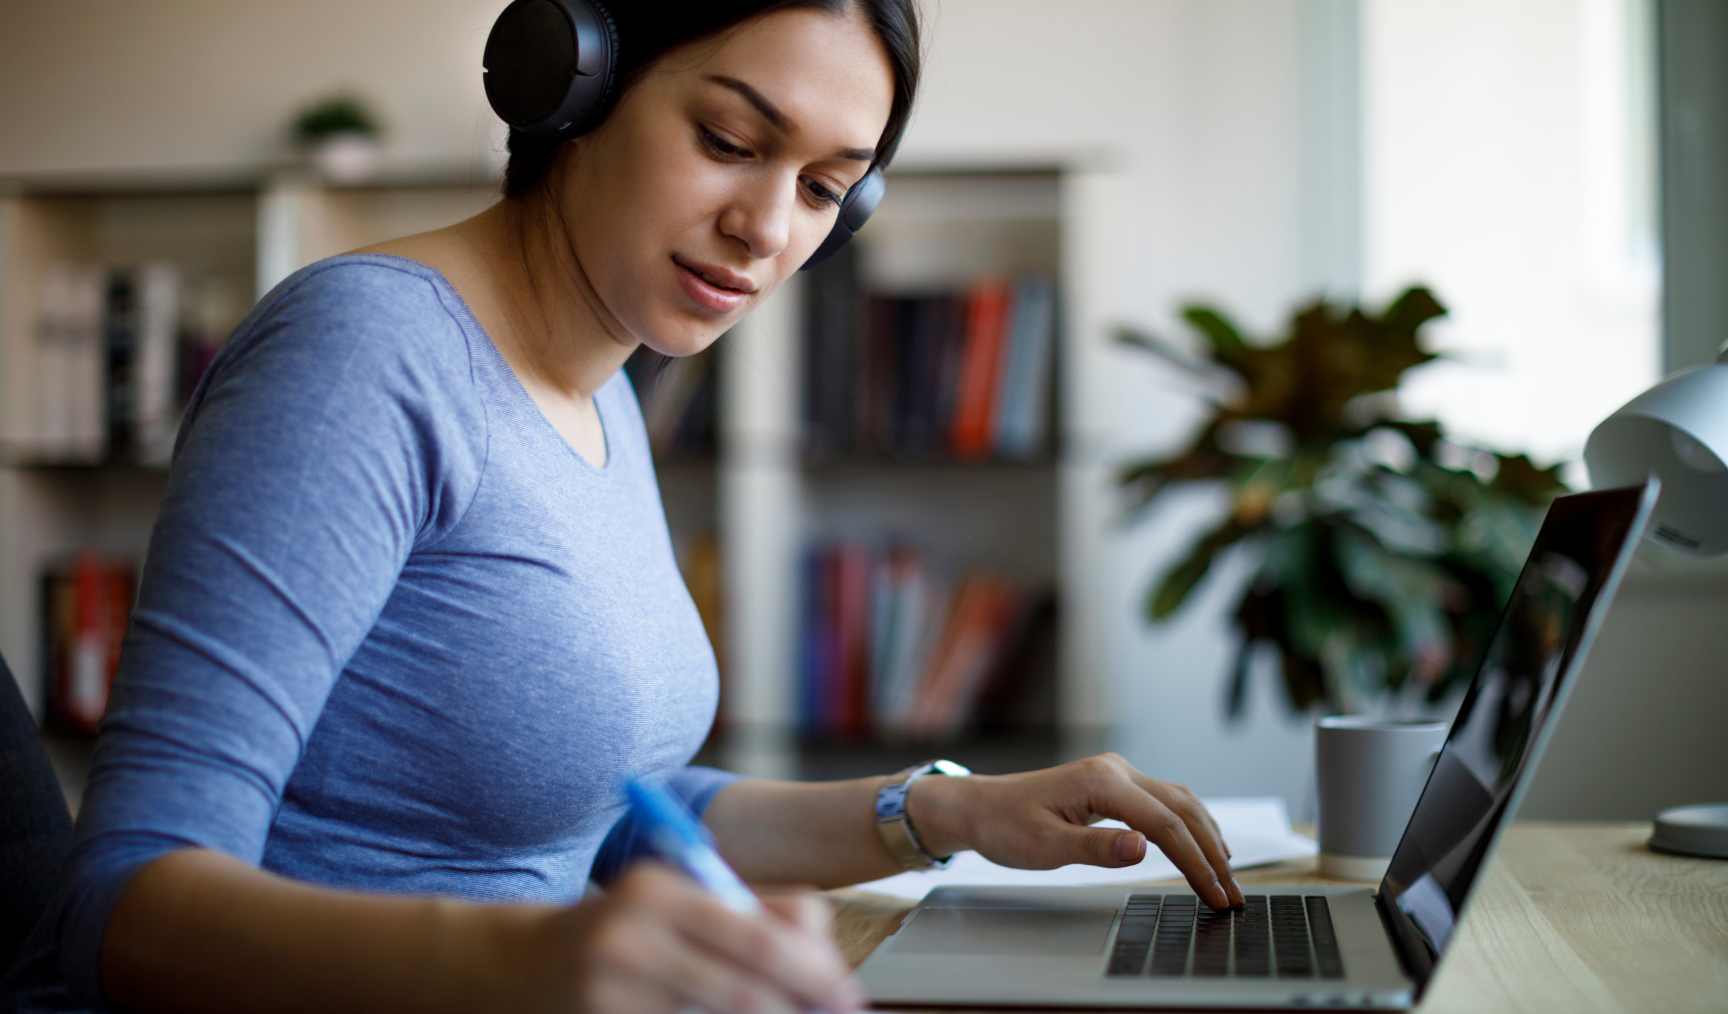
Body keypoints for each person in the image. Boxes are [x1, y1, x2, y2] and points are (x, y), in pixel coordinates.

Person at [0, 2, 1243, 1012]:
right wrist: (533, 964)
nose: (766, 229)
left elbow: (611, 806)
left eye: (823, 188)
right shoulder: (362, 356)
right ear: (572, 89)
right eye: (730, 140)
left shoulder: (603, 382)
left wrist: (942, 809)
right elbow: (129, 907)